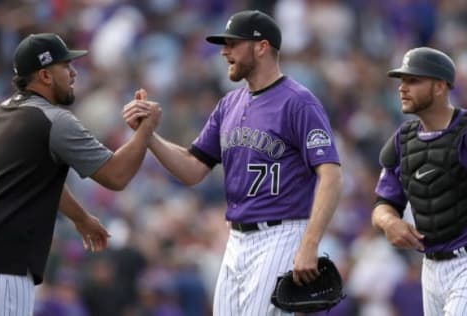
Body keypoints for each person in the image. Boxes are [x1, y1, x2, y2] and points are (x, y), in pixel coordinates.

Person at [123, 10, 342, 315]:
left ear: (262, 47)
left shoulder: (298, 101)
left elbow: (330, 174)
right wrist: (149, 136)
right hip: (236, 239)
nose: (224, 51)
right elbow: (193, 168)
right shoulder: (229, 103)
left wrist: (310, 243)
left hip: (282, 235)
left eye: (233, 44)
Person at [0, 33, 161, 316]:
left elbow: (32, 179)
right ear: (44, 75)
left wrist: (80, 218)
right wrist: (145, 129)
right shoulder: (54, 120)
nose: (73, 73)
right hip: (4, 266)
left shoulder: (3, 114)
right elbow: (116, 176)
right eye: (65, 66)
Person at [371, 47, 467, 316]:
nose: (403, 88)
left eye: (413, 80)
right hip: (430, 268)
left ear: (439, 86)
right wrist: (389, 222)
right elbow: (383, 203)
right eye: (402, 81)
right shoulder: (404, 140)